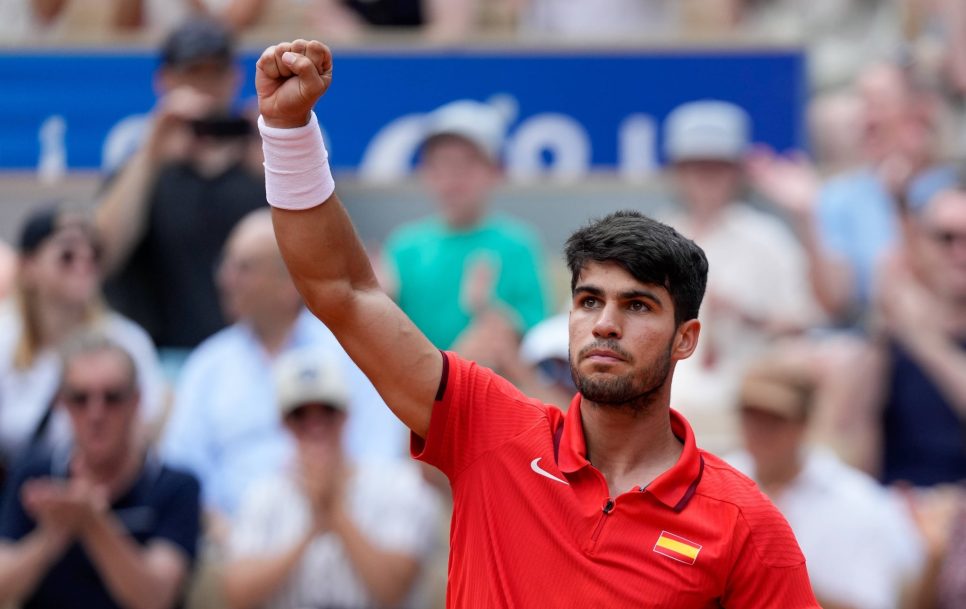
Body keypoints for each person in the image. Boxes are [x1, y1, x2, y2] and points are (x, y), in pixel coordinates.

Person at [255, 38, 819, 607]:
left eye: (638, 306)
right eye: (589, 301)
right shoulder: (486, 428)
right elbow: (343, 292)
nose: (605, 324)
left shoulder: (748, 526)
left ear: (686, 339)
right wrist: (288, 131)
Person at [160, 210, 405, 529]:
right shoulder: (208, 365)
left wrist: (333, 518)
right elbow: (182, 469)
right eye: (226, 265)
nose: (225, 280)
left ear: (289, 282)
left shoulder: (348, 351)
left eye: (243, 267)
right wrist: (223, 531)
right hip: (234, 546)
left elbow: (381, 453)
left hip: (342, 531)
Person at [222, 346, 440, 609]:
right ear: (285, 424)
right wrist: (311, 529)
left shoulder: (398, 484)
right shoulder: (264, 495)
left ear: (345, 415)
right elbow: (237, 594)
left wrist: (333, 508)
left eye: (326, 411)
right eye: (300, 415)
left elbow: (394, 589)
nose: (315, 425)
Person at [96, 18, 265, 355]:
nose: (204, 85)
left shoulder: (262, 159)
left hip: (261, 349)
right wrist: (150, 156)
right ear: (166, 81)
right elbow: (101, 256)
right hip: (166, 355)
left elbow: (327, 253)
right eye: (192, 73)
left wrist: (277, 167)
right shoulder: (145, 165)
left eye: (214, 72)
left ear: (234, 78)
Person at [660, 99, 820, 454]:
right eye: (695, 166)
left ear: (736, 172)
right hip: (669, 380)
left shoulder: (765, 237)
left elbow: (804, 319)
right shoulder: (656, 236)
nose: (706, 178)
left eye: (717, 167)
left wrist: (748, 314)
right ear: (678, 171)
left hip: (749, 377)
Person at [0, 332, 200, 609]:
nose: (96, 413)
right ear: (62, 403)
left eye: (112, 397)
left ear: (136, 400)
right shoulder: (34, 476)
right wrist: (50, 537)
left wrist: (93, 523)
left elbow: (156, 598)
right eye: (81, 398)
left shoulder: (176, 486)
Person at [726, 353, 924, 609]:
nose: (760, 430)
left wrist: (778, 570)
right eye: (751, 415)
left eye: (775, 419)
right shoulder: (712, 482)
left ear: (803, 423)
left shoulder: (860, 504)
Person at [0, 207, 164, 474]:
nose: (84, 261)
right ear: (27, 266)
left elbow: (148, 434)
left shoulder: (127, 341)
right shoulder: (4, 337)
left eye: (94, 254)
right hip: (17, 497)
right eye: (68, 254)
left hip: (106, 489)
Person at [382, 98, 550, 352]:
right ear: (426, 172)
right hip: (413, 381)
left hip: (492, 384)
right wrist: (381, 298)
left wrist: (488, 310)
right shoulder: (403, 247)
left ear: (495, 171)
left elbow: (536, 333)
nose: (453, 176)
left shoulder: (518, 245)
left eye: (468, 163)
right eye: (443, 162)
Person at [831, 187, 966, 486]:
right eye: (945, 238)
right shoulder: (891, 337)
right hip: (900, 508)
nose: (959, 252)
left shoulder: (915, 335)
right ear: (917, 245)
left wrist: (922, 339)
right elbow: (846, 440)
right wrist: (882, 326)